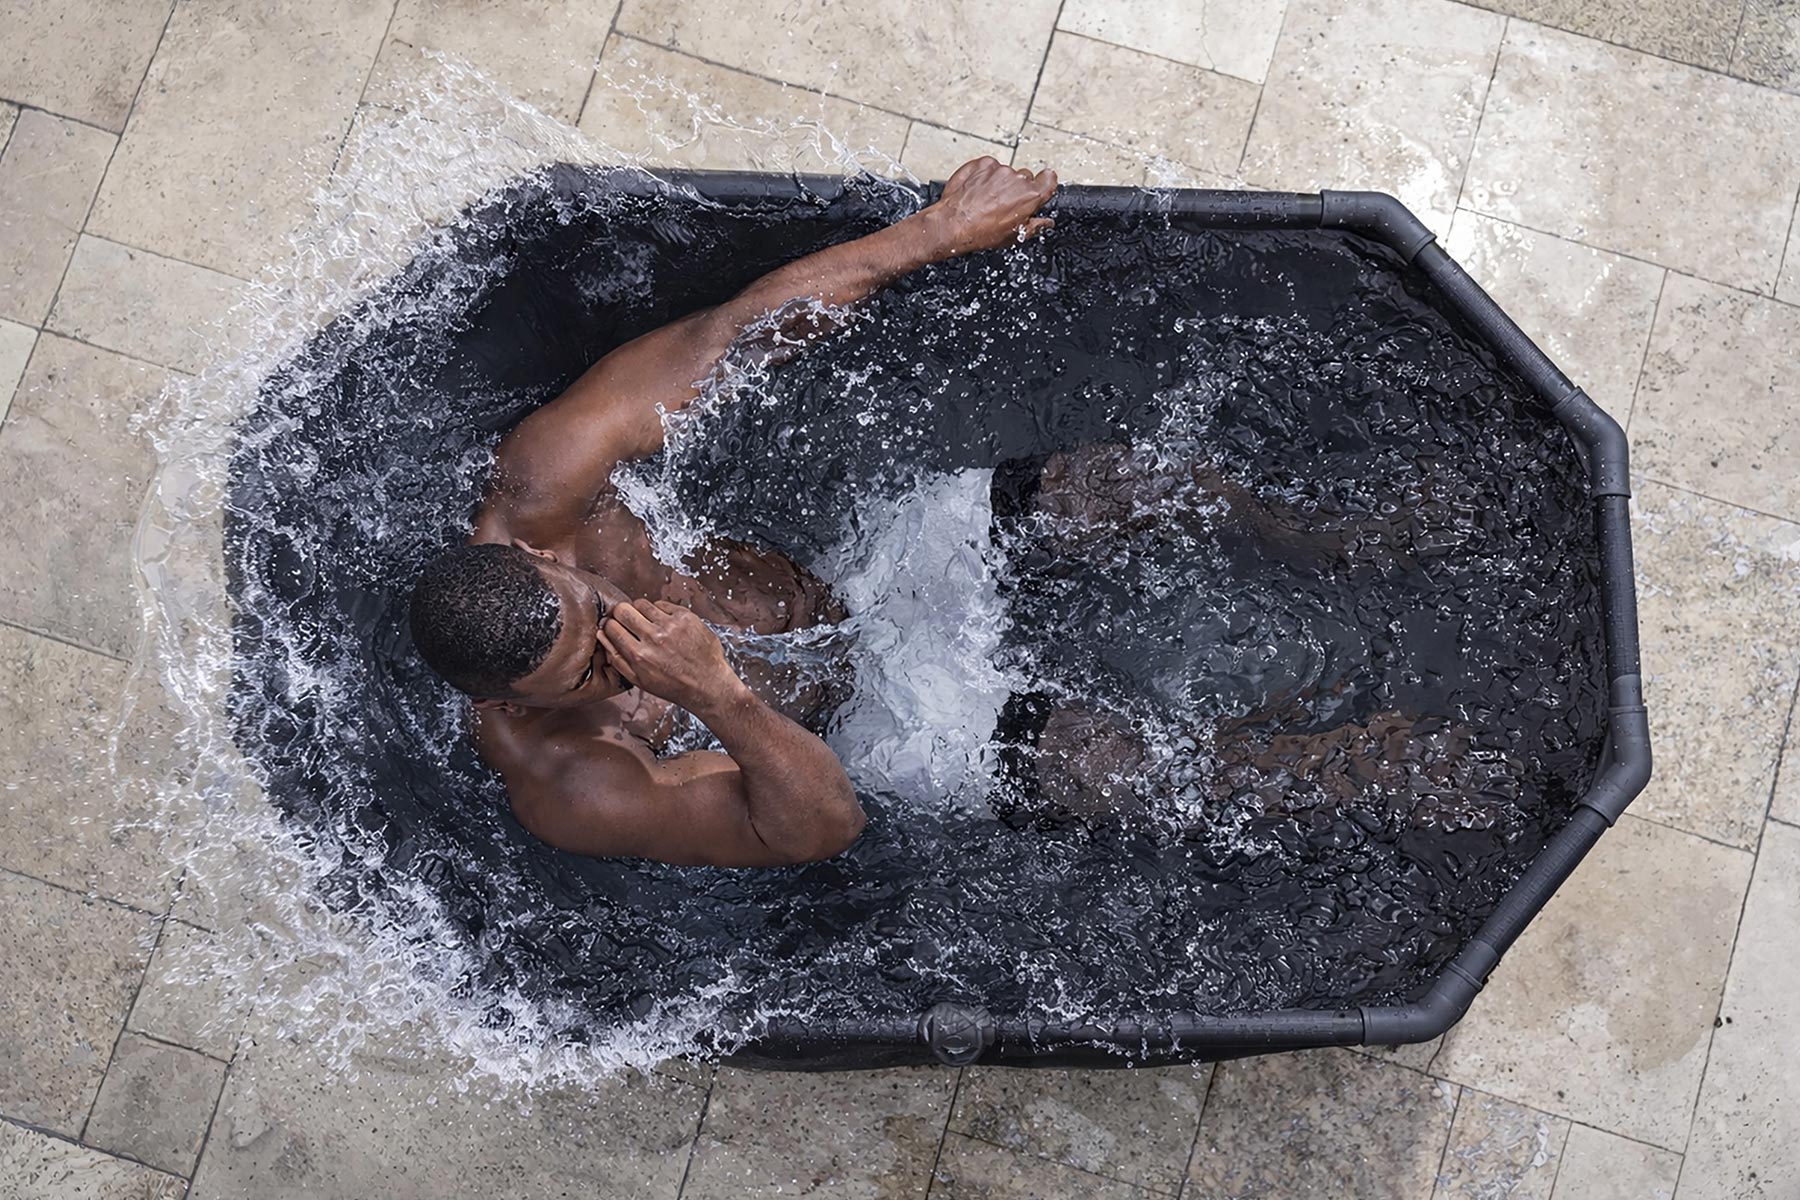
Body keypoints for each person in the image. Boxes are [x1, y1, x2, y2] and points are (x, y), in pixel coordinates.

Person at [407, 157, 1060, 867]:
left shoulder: (547, 484)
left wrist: (940, 231)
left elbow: (726, 339)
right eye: (587, 675)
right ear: (510, 706)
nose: (623, 648)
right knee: (1096, 761)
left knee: (1097, 489)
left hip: (865, 573)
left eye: (598, 614)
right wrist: (716, 694)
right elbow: (824, 828)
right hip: (873, 725)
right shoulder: (565, 779)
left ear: (540, 558)